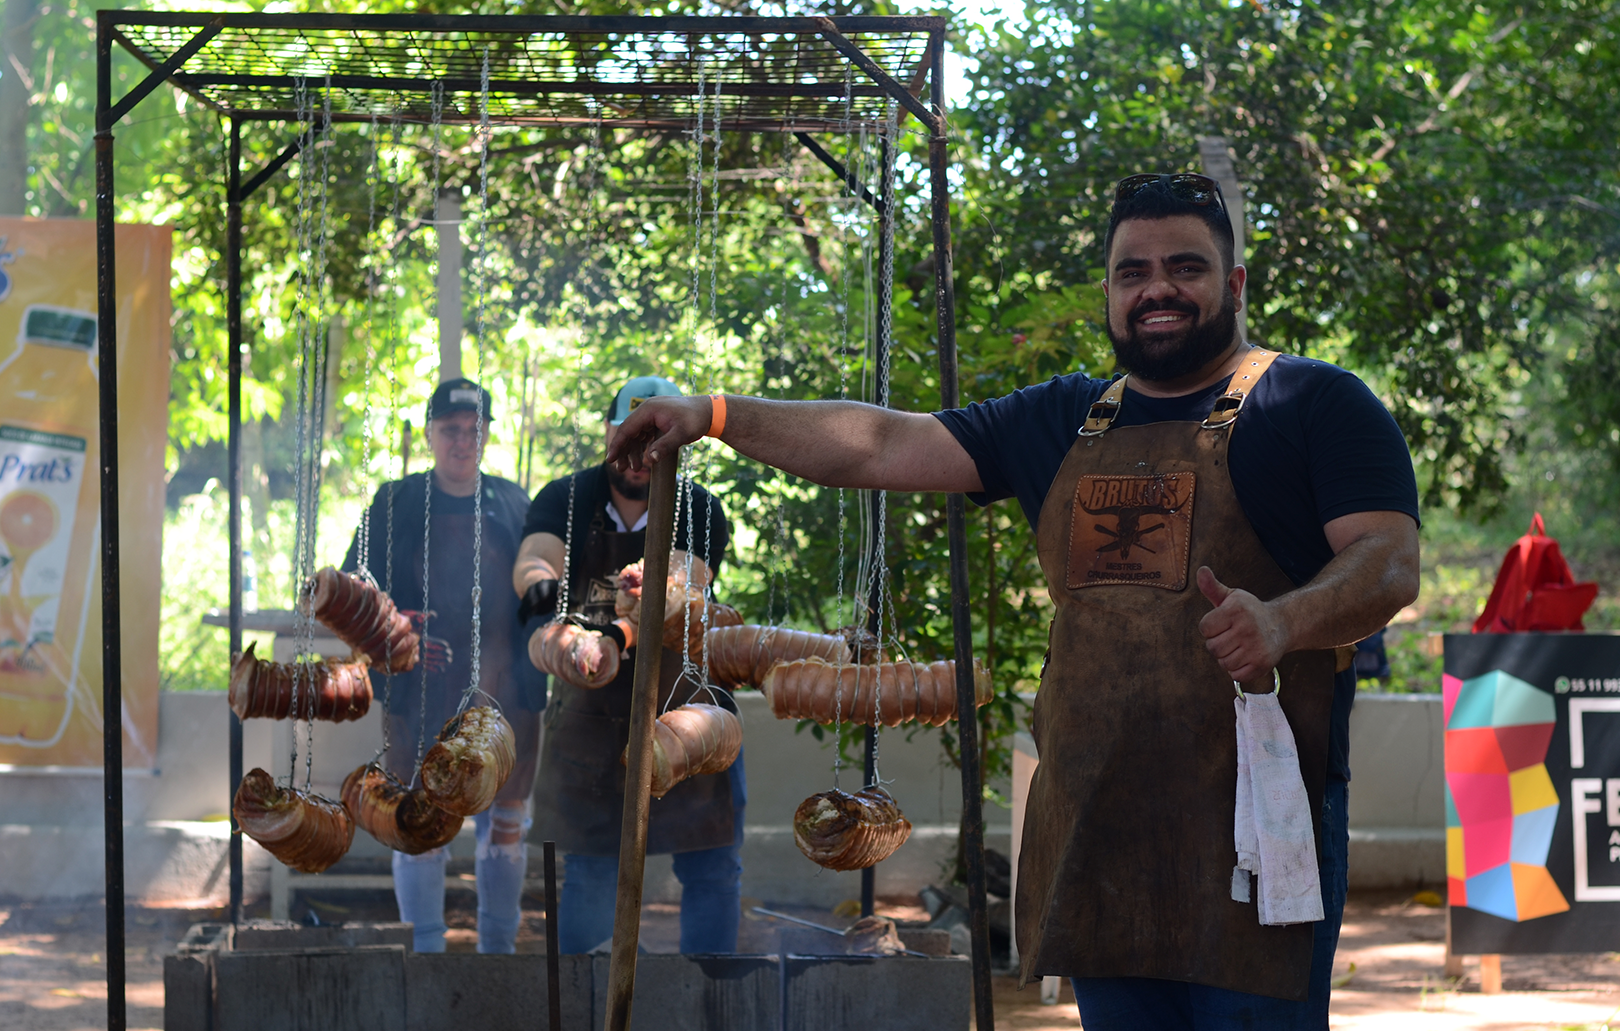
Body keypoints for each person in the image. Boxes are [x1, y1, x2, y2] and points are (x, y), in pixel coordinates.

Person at [607, 174, 1421, 1029]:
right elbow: (882, 441)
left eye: (1186, 267)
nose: (1158, 290)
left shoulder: (1313, 404)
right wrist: (716, 412)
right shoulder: (1064, 418)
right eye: (1132, 271)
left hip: (1255, 841)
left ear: (1236, 284)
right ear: (1109, 289)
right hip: (1096, 835)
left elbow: (1390, 562)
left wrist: (1283, 621)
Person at [514, 375, 744, 955]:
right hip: (589, 726)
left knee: (711, 870)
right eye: (629, 435)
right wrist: (540, 589)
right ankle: (589, 1001)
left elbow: (680, 581)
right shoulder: (566, 497)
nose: (640, 455)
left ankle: (704, 1001)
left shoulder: (698, 508)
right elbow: (537, 556)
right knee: (592, 875)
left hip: (686, 717)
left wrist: (622, 623)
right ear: (610, 431)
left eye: (653, 439)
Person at [342, 377, 541, 954]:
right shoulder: (395, 502)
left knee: (506, 824)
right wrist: (395, 624)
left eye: (473, 430)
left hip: (507, 694)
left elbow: (542, 591)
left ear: (487, 435)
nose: (461, 441)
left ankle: (497, 955)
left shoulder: (515, 502)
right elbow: (352, 588)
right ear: (429, 434)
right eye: (450, 430)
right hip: (418, 693)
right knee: (418, 823)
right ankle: (426, 953)